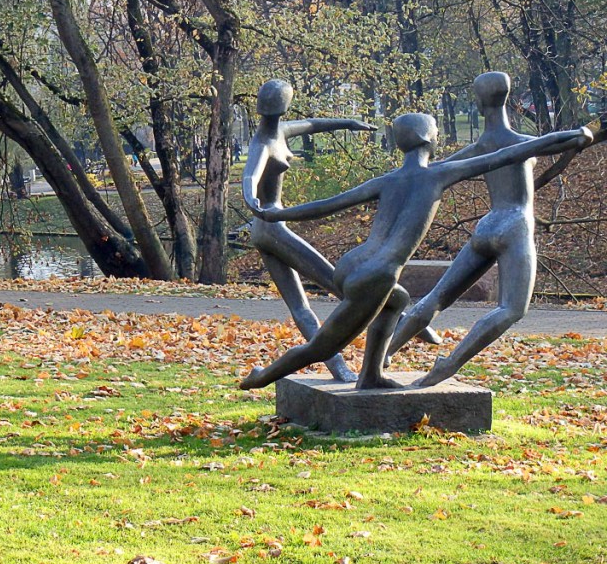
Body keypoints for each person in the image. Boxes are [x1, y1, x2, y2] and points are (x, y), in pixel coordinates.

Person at [240, 113, 591, 390]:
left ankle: (371, 375)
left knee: (398, 300)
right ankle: (262, 375)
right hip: (376, 275)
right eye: (437, 130)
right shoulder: (438, 175)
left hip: (352, 264)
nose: (439, 135)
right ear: (427, 139)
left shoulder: (387, 180)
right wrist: (574, 135)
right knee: (322, 348)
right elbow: (513, 153)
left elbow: (327, 205)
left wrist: (277, 213)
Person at [385, 72, 592, 386]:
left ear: (480, 104)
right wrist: (584, 134)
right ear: (508, 99)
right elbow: (560, 140)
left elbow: (438, 171)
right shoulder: (523, 143)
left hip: (487, 225)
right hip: (515, 226)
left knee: (436, 297)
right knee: (511, 309)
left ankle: (384, 353)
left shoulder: (480, 147)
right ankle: (449, 364)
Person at [243, 80, 376, 381]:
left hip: (266, 227)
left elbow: (313, 124)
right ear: (284, 104)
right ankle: (394, 322)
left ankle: (339, 369)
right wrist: (251, 199)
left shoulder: (281, 131)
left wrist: (349, 123)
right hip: (271, 226)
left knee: (302, 305)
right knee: (339, 284)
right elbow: (250, 173)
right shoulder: (263, 144)